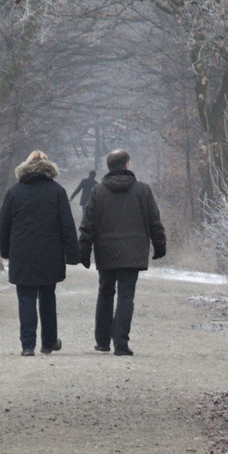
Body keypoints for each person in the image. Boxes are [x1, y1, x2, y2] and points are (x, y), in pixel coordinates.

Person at [76, 148, 166, 356]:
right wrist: (159, 246)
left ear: (109, 167)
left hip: (106, 251)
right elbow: (154, 221)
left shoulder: (98, 192)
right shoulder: (143, 190)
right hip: (133, 251)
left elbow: (87, 224)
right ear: (127, 165)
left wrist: (84, 251)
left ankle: (102, 341)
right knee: (126, 296)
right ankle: (121, 344)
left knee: (105, 293)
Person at [0, 150, 80, 356]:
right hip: (50, 253)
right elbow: (67, 225)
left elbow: (4, 226)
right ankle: (49, 342)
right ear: (48, 167)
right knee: (47, 297)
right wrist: (73, 254)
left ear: (25, 166)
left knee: (25, 298)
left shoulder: (14, 192)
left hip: (21, 253)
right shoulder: (57, 191)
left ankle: (27, 345)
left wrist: (5, 252)